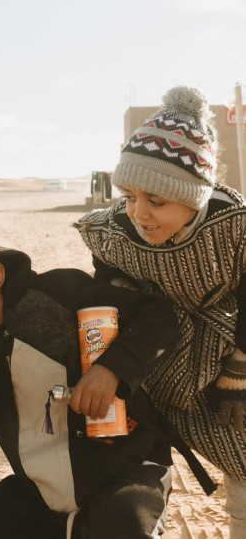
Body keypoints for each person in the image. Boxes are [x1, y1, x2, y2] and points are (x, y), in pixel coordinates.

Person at [0, 221, 179, 539]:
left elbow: (157, 315)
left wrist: (111, 369)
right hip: (38, 495)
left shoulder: (61, 293)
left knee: (123, 524)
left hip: (128, 472)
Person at [74, 84, 246, 538]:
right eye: (129, 197)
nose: (140, 214)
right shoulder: (114, 230)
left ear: (194, 197)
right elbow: (109, 280)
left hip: (230, 351)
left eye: (157, 201)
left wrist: (239, 372)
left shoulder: (234, 225)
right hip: (159, 349)